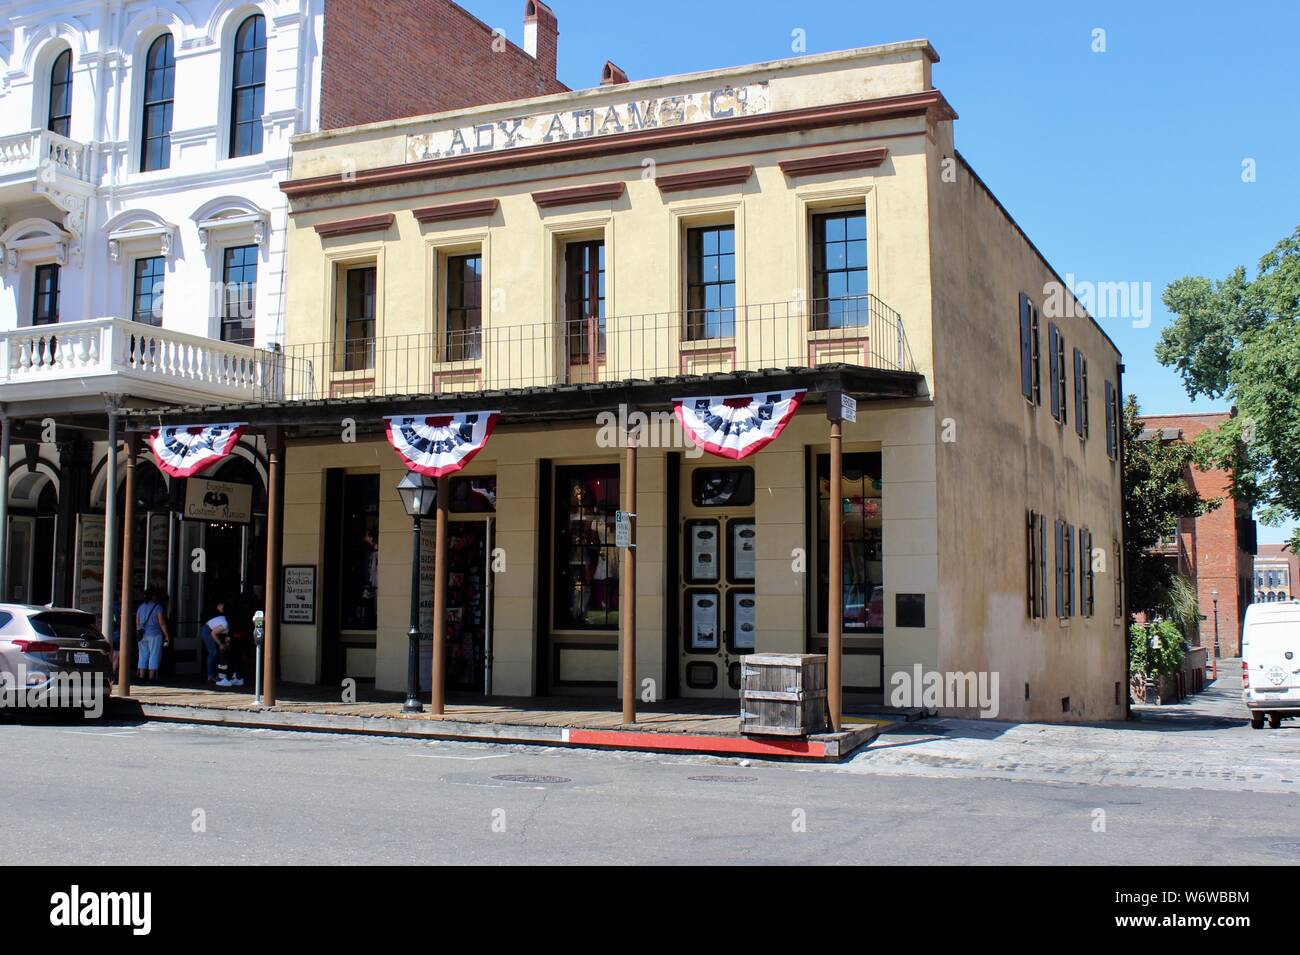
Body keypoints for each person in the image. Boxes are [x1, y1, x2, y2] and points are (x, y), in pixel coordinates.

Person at [135, 588, 170, 683]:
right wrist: (166, 635)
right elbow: (161, 622)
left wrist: (139, 632)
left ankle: (141, 677)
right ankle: (152, 677)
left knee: (142, 655)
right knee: (154, 654)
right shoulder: (158, 607)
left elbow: (137, 621)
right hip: (155, 634)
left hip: (142, 635)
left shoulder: (141, 607)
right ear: (153, 596)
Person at [207, 599, 242, 688]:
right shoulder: (237, 614)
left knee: (230, 657)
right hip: (239, 635)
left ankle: (228, 678)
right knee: (236, 657)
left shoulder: (228, 618)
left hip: (233, 635)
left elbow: (229, 627)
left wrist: (225, 640)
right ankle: (236, 677)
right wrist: (221, 643)